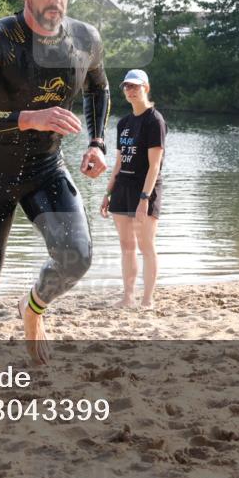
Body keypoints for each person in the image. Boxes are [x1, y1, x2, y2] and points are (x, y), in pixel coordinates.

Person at [0, 0, 110, 369]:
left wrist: (97, 142)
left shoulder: (84, 40)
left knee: (77, 255)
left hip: (45, 169)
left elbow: (99, 88)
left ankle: (33, 309)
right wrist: (28, 118)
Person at [100, 69, 166, 309]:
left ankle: (147, 300)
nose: (130, 90)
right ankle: (128, 298)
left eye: (135, 86)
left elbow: (155, 165)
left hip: (145, 190)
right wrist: (108, 193)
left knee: (146, 246)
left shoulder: (154, 120)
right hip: (122, 188)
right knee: (126, 246)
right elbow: (119, 162)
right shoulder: (124, 123)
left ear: (146, 88)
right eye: (127, 86)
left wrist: (144, 198)